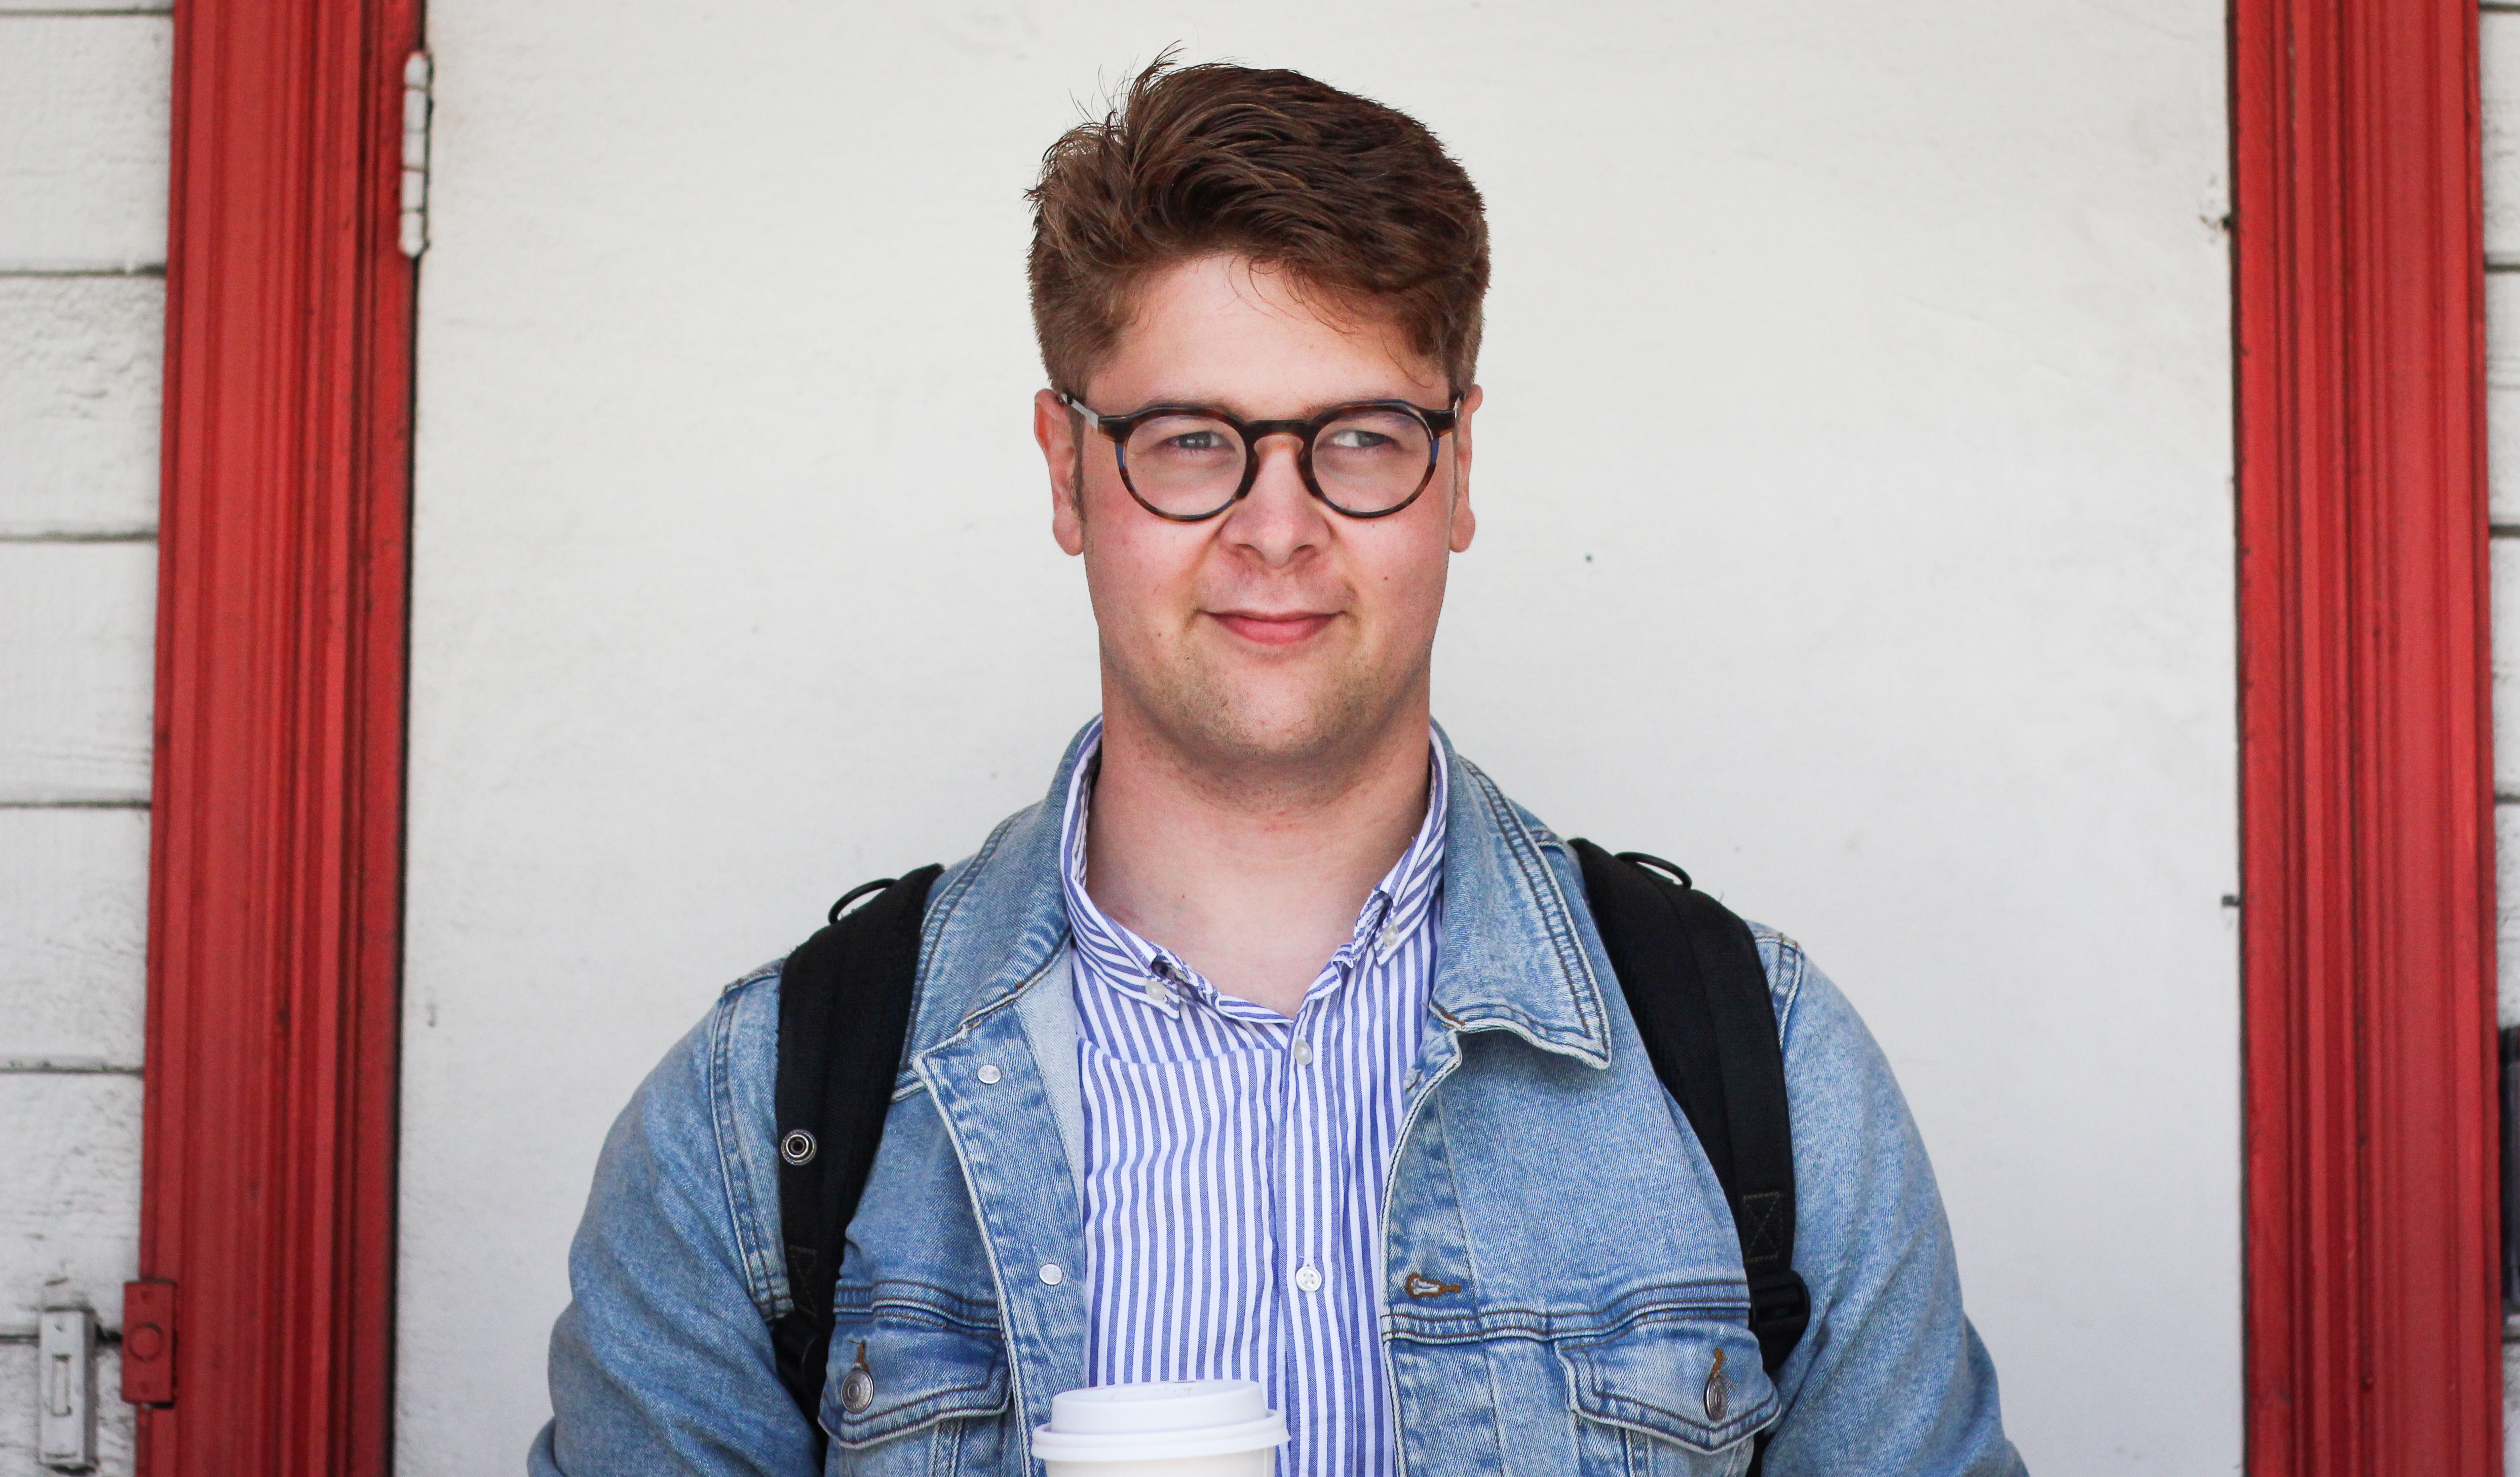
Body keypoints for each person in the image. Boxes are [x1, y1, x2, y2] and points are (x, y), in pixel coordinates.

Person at [531, 58, 2023, 1477]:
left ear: (1458, 470)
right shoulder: (755, 1126)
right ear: (1067, 471)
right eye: (1192, 442)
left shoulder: (1769, 1074)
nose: (1277, 526)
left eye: (1360, 438)